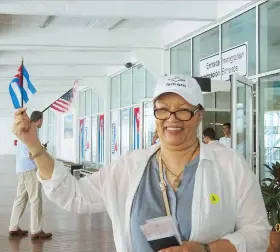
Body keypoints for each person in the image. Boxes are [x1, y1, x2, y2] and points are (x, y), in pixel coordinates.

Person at [12, 75, 270, 252]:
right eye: (162, 109)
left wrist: (208, 249)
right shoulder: (129, 167)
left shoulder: (230, 164)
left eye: (182, 109)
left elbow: (258, 233)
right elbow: (74, 195)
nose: (172, 119)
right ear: (154, 113)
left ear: (198, 115)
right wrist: (33, 145)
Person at [9, 111, 52, 240]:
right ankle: (36, 230)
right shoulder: (33, 131)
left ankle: (13, 227)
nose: (42, 123)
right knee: (35, 199)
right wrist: (42, 150)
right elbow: (32, 154)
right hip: (29, 170)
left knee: (20, 199)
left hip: (20, 169)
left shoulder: (25, 129)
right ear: (39, 120)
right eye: (42, 120)